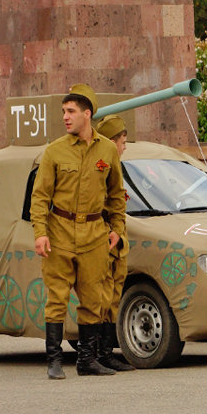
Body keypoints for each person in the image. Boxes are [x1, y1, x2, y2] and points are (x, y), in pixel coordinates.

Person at [30, 84, 126, 379]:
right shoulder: (54, 151)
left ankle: (87, 360)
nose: (66, 117)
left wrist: (117, 229)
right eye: (64, 112)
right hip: (60, 230)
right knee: (57, 297)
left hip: (94, 232)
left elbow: (116, 195)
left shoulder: (108, 150)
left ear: (88, 114)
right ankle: (54, 360)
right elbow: (40, 196)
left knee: (93, 298)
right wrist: (40, 232)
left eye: (71, 111)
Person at [93, 114, 135, 372]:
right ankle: (96, 353)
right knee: (100, 298)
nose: (124, 146)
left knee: (113, 299)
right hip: (103, 238)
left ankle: (106, 352)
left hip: (118, 241)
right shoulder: (100, 166)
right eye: (122, 140)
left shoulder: (116, 165)